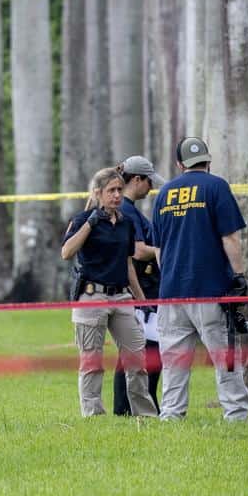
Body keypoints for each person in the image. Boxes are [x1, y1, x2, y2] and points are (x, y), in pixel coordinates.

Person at [152, 136, 248, 422]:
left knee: (173, 362)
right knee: (225, 358)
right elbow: (230, 237)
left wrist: (171, 277)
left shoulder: (164, 193)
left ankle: (171, 415)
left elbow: (159, 249)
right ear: (208, 161)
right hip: (210, 290)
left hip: (171, 293)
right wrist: (239, 276)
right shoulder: (216, 186)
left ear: (179, 164)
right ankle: (236, 415)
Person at [60, 166, 157, 419]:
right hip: (91, 297)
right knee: (92, 363)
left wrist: (143, 301)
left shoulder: (125, 224)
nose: (116, 195)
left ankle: (145, 414)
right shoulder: (83, 220)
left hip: (122, 297)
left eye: (119, 190)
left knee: (137, 358)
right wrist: (91, 224)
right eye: (111, 191)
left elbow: (128, 265)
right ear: (98, 193)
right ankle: (93, 415)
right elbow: (67, 252)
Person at [112, 155, 164, 415]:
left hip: (145, 291)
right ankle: (129, 408)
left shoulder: (129, 208)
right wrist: (164, 250)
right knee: (144, 353)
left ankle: (135, 406)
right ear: (136, 179)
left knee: (139, 354)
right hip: (141, 291)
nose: (151, 187)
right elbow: (136, 250)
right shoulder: (127, 211)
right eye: (148, 182)